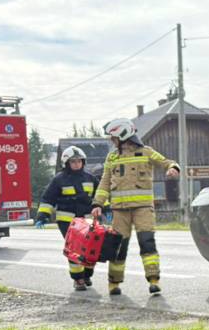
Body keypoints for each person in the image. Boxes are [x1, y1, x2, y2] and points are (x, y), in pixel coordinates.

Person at [90, 118, 180, 296]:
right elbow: (105, 181)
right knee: (118, 247)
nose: (111, 141)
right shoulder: (112, 157)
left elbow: (166, 162)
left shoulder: (146, 152)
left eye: (113, 137)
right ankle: (114, 283)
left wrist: (173, 168)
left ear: (123, 135)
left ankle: (154, 280)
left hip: (143, 209)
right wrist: (97, 203)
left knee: (147, 242)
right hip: (120, 210)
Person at [35, 146, 99, 290]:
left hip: (87, 219)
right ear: (67, 163)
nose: (76, 164)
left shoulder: (90, 178)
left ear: (83, 162)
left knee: (91, 249)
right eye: (73, 161)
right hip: (67, 221)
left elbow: (99, 195)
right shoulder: (59, 179)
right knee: (75, 249)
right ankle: (78, 280)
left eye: (79, 161)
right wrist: (43, 215)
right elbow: (48, 199)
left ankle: (87, 274)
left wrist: (105, 208)